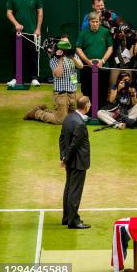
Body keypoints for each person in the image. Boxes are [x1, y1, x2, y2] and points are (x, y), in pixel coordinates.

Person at [25, 37, 83, 124]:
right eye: (64, 44)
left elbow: (80, 66)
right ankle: (37, 113)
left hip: (72, 92)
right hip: (61, 93)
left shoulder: (73, 55)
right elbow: (58, 74)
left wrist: (72, 57)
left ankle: (45, 110)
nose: (66, 46)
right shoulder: (54, 59)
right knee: (60, 120)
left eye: (68, 44)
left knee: (71, 118)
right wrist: (61, 58)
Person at [59, 96, 92, 229]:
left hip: (70, 161)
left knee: (69, 188)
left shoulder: (68, 118)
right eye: (89, 104)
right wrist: (65, 159)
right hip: (78, 162)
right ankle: (73, 221)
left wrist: (63, 157)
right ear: (86, 106)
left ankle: (67, 217)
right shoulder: (80, 124)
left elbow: (61, 139)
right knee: (75, 191)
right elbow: (74, 145)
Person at [6, 0, 43, 86]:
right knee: (18, 55)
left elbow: (40, 12)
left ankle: (34, 78)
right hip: (18, 33)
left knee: (33, 56)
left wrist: (38, 29)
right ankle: (16, 78)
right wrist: (16, 24)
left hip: (32, 32)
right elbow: (9, 13)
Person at [76, 11, 113, 108]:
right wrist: (87, 61)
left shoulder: (106, 32)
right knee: (87, 90)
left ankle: (100, 112)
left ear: (100, 21)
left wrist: (103, 61)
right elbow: (78, 48)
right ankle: (87, 112)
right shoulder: (83, 33)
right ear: (89, 22)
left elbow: (110, 47)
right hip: (87, 67)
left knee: (102, 90)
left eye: (97, 21)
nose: (95, 24)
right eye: (93, 22)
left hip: (103, 67)